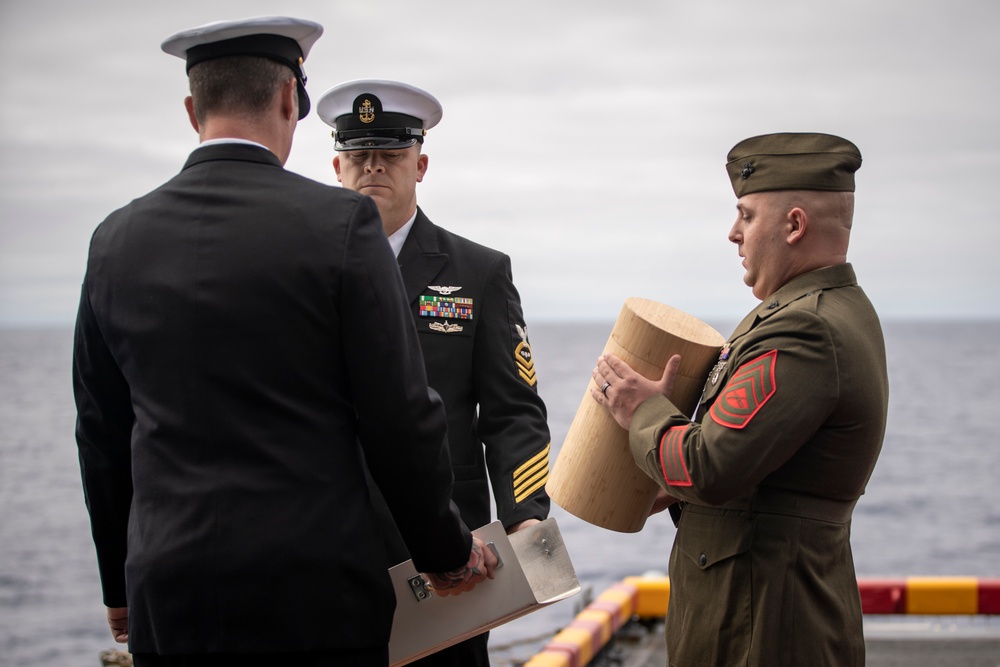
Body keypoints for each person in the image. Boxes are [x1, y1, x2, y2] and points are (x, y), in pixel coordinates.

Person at [72, 17, 496, 667]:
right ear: (287, 101)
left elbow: (102, 432)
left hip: (171, 593)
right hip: (315, 597)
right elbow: (399, 417)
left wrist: (119, 587)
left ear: (192, 110)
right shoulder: (342, 225)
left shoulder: (114, 239)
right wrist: (446, 552)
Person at [591, 133, 889, 666]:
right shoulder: (814, 310)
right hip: (761, 616)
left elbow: (709, 465)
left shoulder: (806, 329)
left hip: (766, 631)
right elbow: (767, 473)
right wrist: (674, 489)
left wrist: (642, 410)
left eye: (747, 216)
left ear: (794, 225)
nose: (733, 233)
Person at [316, 80, 553, 666]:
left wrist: (527, 520)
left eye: (391, 154)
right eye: (360, 155)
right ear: (336, 166)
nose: (374, 168)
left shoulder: (478, 272)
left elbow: (513, 413)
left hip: (452, 554)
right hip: (327, 549)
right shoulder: (301, 272)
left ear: (420, 164)